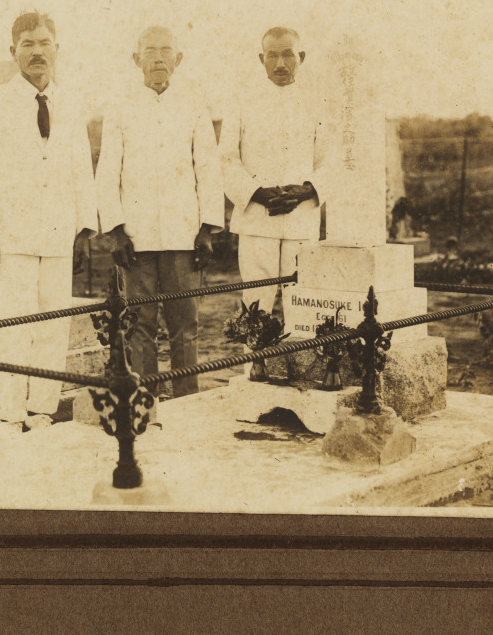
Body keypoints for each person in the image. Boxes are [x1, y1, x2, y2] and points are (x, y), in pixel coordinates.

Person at [0, 11, 99, 438]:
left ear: (56, 49)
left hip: (60, 233)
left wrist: (84, 230)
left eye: (44, 43)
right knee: (11, 327)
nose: (37, 52)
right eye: (28, 45)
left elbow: (81, 169)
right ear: (13, 52)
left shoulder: (71, 104)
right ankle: (11, 417)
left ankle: (42, 412)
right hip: (11, 235)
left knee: (53, 327)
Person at [97, 26, 223, 398]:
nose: (158, 58)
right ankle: (146, 403)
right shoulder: (119, 107)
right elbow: (108, 171)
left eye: (165, 50)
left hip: (184, 235)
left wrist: (206, 229)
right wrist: (116, 231)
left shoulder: (194, 105)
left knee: (185, 324)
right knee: (140, 324)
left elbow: (208, 169)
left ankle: (187, 402)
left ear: (177, 59)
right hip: (135, 238)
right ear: (136, 59)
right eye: (149, 51)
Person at [218, 26, 326, 315]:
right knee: (256, 303)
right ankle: (254, 348)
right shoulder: (241, 100)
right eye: (272, 56)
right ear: (261, 58)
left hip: (301, 218)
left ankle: (303, 347)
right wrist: (257, 193)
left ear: (301, 57)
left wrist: (307, 190)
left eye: (288, 55)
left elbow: (329, 160)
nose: (280, 64)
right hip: (256, 218)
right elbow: (226, 158)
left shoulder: (317, 102)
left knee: (304, 302)